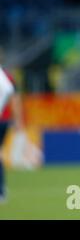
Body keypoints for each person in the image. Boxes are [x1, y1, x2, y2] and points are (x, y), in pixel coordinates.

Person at [0, 65, 25, 203]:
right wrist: (18, 120)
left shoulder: (5, 77)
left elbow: (14, 99)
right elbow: (14, 99)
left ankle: (1, 191)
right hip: (4, 121)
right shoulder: (7, 76)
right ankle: (2, 190)